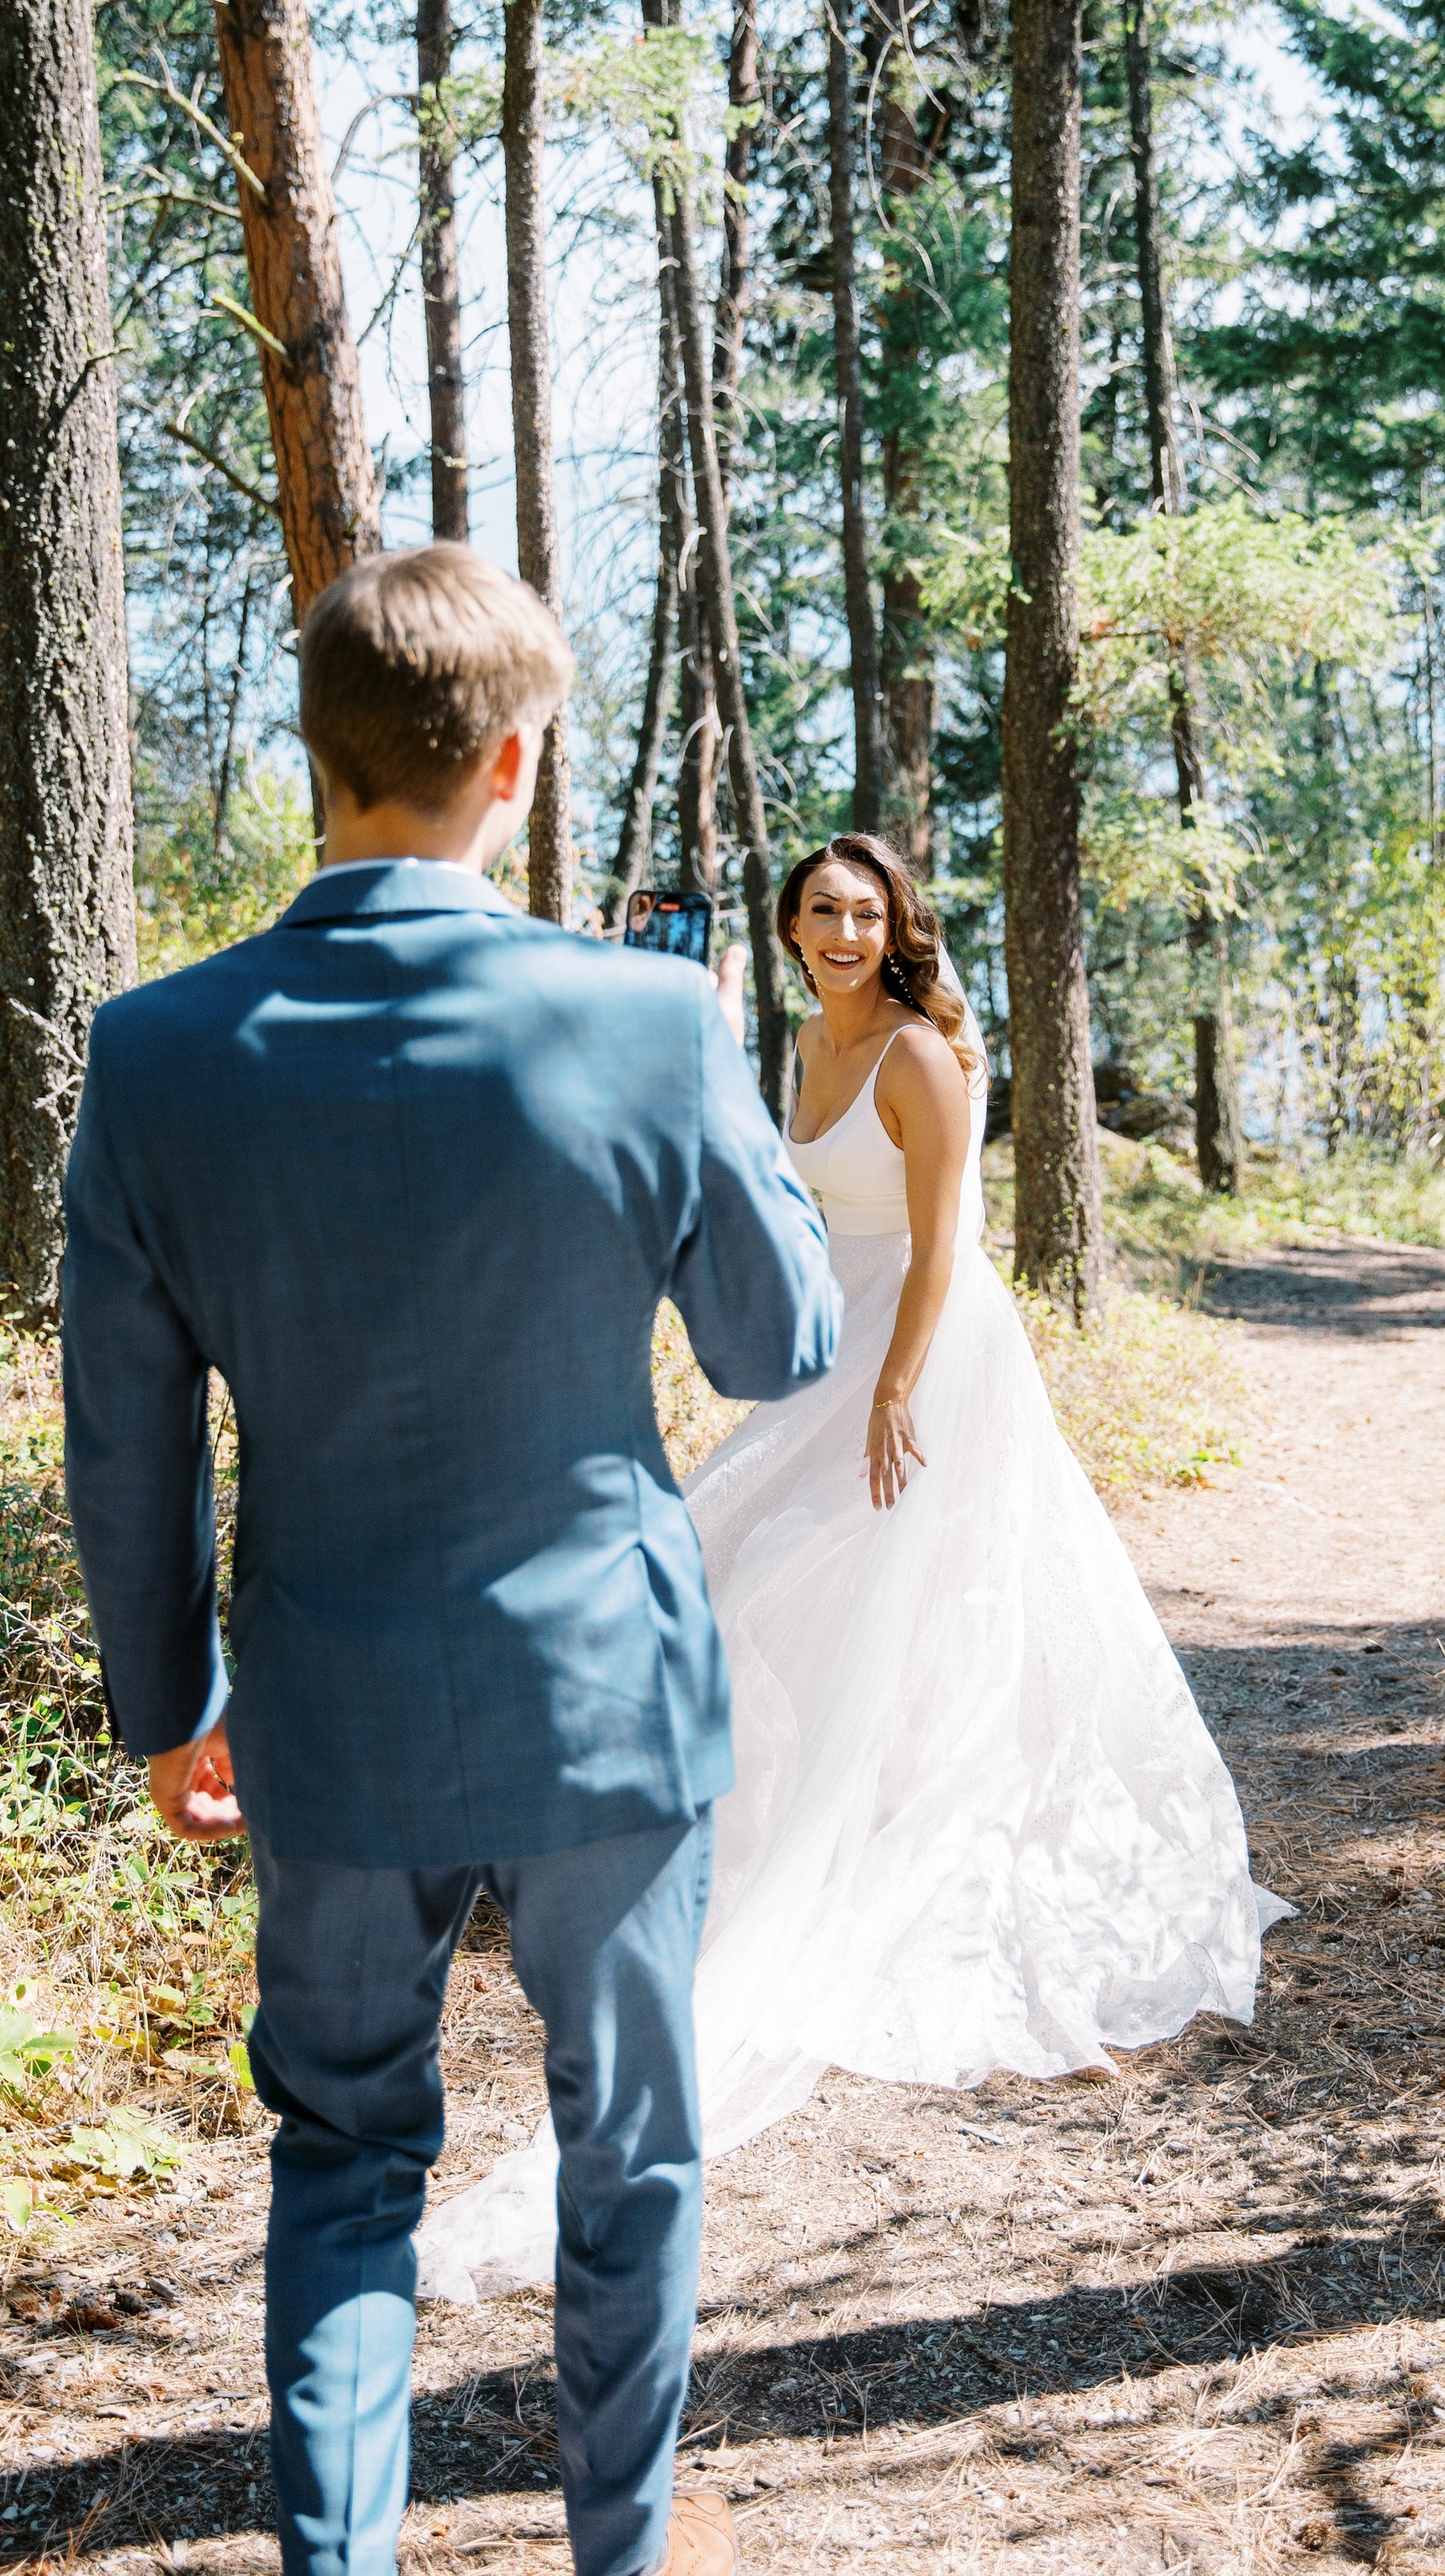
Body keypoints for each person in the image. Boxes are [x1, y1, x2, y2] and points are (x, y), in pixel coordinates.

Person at [62, 546, 841, 2576]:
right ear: (511, 760)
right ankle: (617, 2558)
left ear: (317, 755)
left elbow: (129, 1438)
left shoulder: (151, 1056)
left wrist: (169, 1710)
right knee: (633, 2152)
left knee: (339, 2157)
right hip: (605, 1699)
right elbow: (779, 1344)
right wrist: (720, 1078)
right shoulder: (655, 1016)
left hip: (323, 1704)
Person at [419, 832, 1289, 2300]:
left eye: (863, 912)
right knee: (719, 1556)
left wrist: (893, 1389)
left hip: (931, 1356)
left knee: (873, 1587)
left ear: (898, 930)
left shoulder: (917, 1058)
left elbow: (948, 1242)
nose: (839, 928)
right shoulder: (803, 1046)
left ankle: (825, 1836)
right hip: (837, 1351)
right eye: (819, 908)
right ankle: (694, 1823)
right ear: (789, 924)